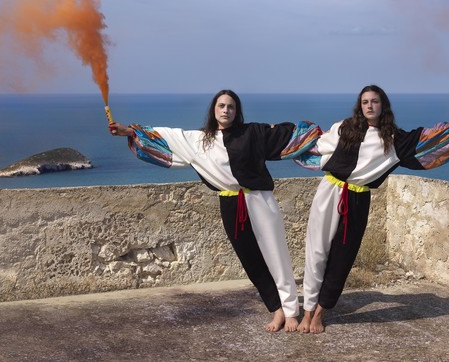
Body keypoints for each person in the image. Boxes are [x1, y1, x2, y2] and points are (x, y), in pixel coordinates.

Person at [109, 90, 320, 332]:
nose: (225, 110)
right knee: (250, 260)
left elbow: (284, 134)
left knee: (276, 256)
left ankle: (292, 311)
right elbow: (166, 137)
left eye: (231, 106)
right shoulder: (199, 140)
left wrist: (311, 132)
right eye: (221, 105)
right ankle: (276, 309)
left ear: (236, 111)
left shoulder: (253, 132)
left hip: (259, 199)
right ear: (214, 110)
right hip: (230, 203)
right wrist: (129, 131)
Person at [297, 85, 449, 334]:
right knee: (316, 253)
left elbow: (428, 139)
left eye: (374, 101)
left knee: (343, 258)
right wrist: (286, 140)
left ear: (382, 105)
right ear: (360, 106)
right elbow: (318, 145)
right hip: (329, 191)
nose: (369, 105)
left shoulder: (393, 140)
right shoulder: (344, 127)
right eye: (365, 101)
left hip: (358, 199)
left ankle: (320, 313)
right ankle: (307, 312)